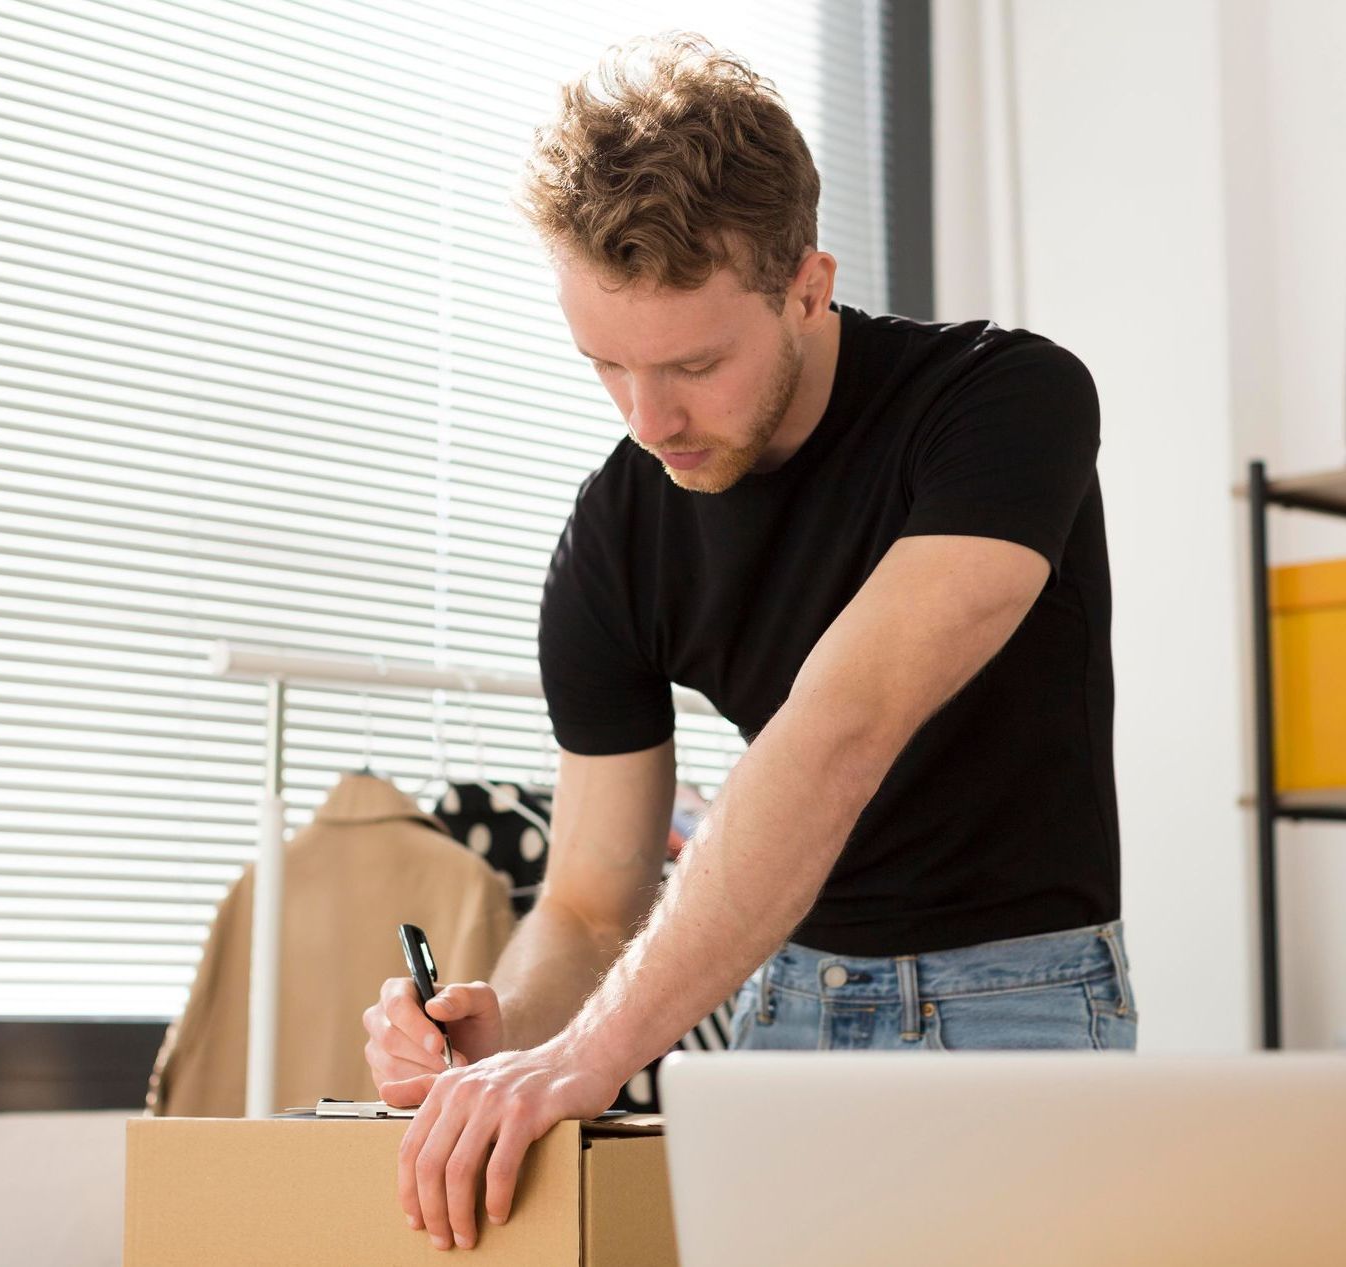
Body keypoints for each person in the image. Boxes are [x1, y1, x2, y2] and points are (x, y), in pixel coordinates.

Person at [359, 31, 1133, 1253]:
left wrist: (585, 1059)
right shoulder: (617, 530)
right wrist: (504, 1028)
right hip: (787, 1015)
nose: (648, 419)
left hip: (1019, 999)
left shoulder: (1007, 404)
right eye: (604, 365)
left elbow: (841, 729)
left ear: (808, 286)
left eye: (695, 365)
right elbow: (590, 902)